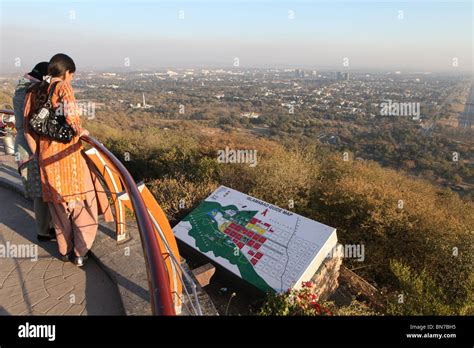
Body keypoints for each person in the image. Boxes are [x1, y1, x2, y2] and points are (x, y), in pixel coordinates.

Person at [24, 53, 98, 267]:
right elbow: (73, 118)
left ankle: (64, 250)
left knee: (58, 209)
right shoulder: (63, 87)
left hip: (46, 156)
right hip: (67, 157)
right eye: (71, 75)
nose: (71, 79)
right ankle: (80, 253)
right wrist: (79, 131)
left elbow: (30, 128)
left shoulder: (34, 90)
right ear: (66, 72)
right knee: (80, 206)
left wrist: (39, 153)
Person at [13, 61, 56, 241]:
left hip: (22, 145)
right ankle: (43, 231)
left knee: (39, 191)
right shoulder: (31, 91)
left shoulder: (20, 89)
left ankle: (47, 227)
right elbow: (33, 124)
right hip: (30, 148)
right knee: (40, 193)